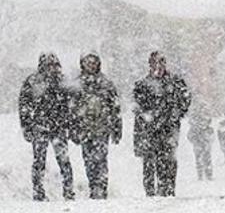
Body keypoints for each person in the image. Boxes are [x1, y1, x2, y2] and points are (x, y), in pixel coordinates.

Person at [133, 51, 192, 197]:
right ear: (150, 65)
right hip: (149, 128)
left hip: (169, 127)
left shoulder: (175, 82)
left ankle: (168, 189)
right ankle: (150, 191)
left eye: (161, 62)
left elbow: (185, 99)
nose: (158, 66)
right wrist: (146, 118)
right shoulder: (142, 85)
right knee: (149, 160)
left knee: (168, 159)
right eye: (154, 63)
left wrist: (176, 113)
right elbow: (137, 107)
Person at [18, 52, 75, 201]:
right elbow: (24, 105)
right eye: (49, 64)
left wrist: (70, 124)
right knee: (39, 161)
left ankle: (68, 191)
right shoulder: (33, 81)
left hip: (58, 127)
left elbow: (71, 105)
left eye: (54, 64)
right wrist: (26, 126)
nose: (52, 67)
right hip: (40, 127)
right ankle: (38, 192)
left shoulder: (62, 81)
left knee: (64, 160)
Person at [69, 52, 122, 199]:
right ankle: (93, 186)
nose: (91, 66)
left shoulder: (106, 83)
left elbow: (115, 107)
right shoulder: (77, 85)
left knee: (101, 159)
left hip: (102, 129)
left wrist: (117, 128)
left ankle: (101, 189)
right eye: (88, 63)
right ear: (82, 64)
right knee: (88, 161)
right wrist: (73, 129)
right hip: (84, 129)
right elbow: (71, 109)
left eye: (94, 63)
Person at [187, 102, 214, 181]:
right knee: (204, 159)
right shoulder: (199, 125)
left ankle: (204, 175)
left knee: (203, 159)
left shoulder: (197, 125)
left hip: (201, 143)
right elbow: (190, 136)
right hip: (201, 143)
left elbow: (190, 136)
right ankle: (205, 174)